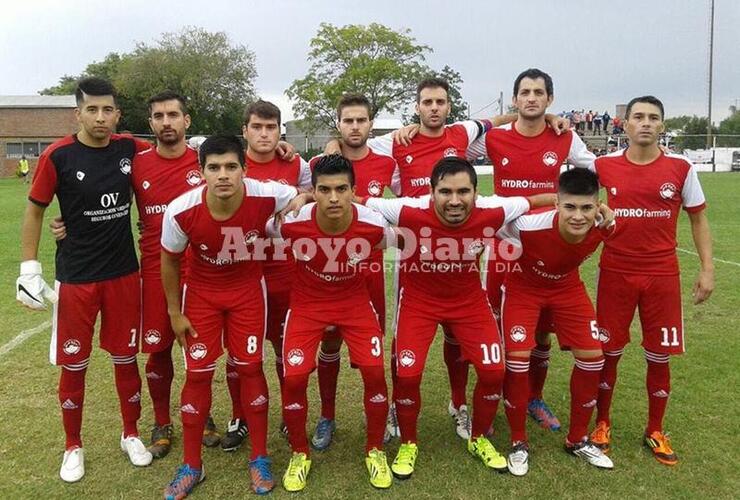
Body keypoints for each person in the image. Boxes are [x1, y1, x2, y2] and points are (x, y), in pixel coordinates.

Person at [348, 77, 569, 441]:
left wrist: (549, 118)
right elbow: (351, 144)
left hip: (462, 242)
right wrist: (327, 144)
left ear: (449, 106)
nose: (434, 108)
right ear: (417, 107)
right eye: (427, 102)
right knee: (405, 333)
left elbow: (498, 121)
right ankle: (396, 402)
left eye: (440, 101)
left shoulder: (462, 133)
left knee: (457, 329)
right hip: (414, 249)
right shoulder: (395, 141)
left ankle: (458, 403)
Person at [363, 157, 553, 478]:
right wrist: (304, 198)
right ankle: (409, 442)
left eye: (463, 191)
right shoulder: (407, 210)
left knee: (494, 371)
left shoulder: (493, 212)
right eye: (445, 192)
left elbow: (533, 201)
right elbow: (357, 201)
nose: (454, 200)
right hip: (419, 302)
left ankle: (478, 437)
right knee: (407, 376)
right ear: (431, 192)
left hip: (468, 302)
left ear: (476, 193)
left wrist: (568, 201)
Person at [16, 77, 152, 482]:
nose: (100, 117)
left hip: (124, 275)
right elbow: (36, 210)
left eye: (107, 109)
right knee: (74, 363)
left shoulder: (130, 147)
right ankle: (72, 445)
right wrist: (29, 269)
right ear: (77, 113)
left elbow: (175, 151)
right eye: (91, 109)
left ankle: (130, 433)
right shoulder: (58, 155)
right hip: (75, 279)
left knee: (126, 359)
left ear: (117, 114)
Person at [160, 134, 308, 497]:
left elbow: (302, 194)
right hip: (201, 296)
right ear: (201, 172)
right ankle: (192, 465)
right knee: (197, 376)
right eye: (214, 168)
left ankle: (259, 458)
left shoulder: (265, 192)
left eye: (230, 167)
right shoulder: (180, 209)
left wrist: (296, 204)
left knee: (251, 369)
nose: (223, 175)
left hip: (247, 294)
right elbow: (169, 259)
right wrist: (174, 312)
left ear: (244, 169)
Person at [464, 68, 596, 433]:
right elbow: (450, 144)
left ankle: (533, 397)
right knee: (492, 325)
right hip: (504, 248)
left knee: (542, 331)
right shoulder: (497, 139)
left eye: (539, 93)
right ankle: (491, 398)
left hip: (549, 248)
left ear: (550, 99)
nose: (532, 98)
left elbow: (601, 168)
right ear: (516, 98)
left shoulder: (564, 139)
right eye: (525, 92)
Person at [589, 95, 713, 466]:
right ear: (624, 125)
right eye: (637, 117)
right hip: (615, 271)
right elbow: (578, 200)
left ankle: (655, 429)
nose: (645, 123)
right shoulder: (601, 165)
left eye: (652, 118)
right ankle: (602, 424)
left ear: (662, 125)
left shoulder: (681, 167)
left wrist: (707, 269)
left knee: (659, 354)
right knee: (608, 352)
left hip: (662, 274)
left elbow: (697, 219)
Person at [269, 155, 392, 491]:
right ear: (314, 192)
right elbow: (265, 229)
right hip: (307, 305)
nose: (334, 198)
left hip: (354, 303)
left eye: (341, 189)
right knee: (293, 378)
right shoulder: (292, 222)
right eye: (324, 190)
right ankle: (299, 453)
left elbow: (392, 241)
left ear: (353, 190)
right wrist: (297, 198)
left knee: (374, 372)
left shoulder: (374, 224)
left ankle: (375, 449)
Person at [497, 168, 615, 475]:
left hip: (567, 289)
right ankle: (518, 442)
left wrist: (606, 216)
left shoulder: (604, 224)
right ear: (557, 204)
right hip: (524, 288)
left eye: (587, 208)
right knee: (518, 360)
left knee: (593, 358)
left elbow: (609, 224)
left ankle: (577, 439)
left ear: (597, 206)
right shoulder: (527, 225)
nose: (578, 216)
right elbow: (491, 217)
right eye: (570, 207)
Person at [212, 99, 313, 451]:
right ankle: (239, 416)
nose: (264, 134)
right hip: (242, 273)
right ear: (245, 131)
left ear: (280, 131)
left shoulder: (295, 163)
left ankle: (290, 413)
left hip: (287, 272)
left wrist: (302, 196)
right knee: (240, 354)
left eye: (271, 127)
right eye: (257, 127)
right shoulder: (233, 165)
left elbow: (315, 188)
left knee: (286, 350)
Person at [308, 93, 399, 451]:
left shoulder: (386, 163)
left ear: (371, 124)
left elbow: (403, 206)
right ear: (339, 123)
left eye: (361, 120)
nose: (355, 127)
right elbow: (303, 200)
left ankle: (379, 413)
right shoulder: (319, 162)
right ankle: (327, 416)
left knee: (372, 354)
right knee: (329, 345)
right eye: (348, 121)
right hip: (328, 273)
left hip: (370, 275)